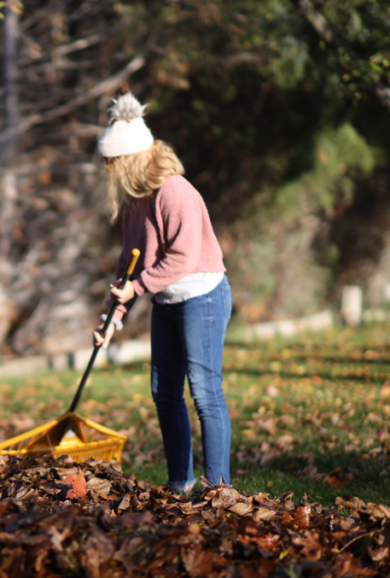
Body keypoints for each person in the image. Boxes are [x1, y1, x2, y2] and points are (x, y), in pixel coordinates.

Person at [91, 92, 232, 493]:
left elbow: (184, 258)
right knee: (164, 392)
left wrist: (136, 287)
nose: (108, 172)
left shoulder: (174, 192)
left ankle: (219, 487)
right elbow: (129, 266)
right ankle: (179, 483)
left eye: (112, 164)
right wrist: (110, 320)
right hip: (167, 301)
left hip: (202, 296)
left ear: (130, 159)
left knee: (205, 392)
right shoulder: (137, 202)